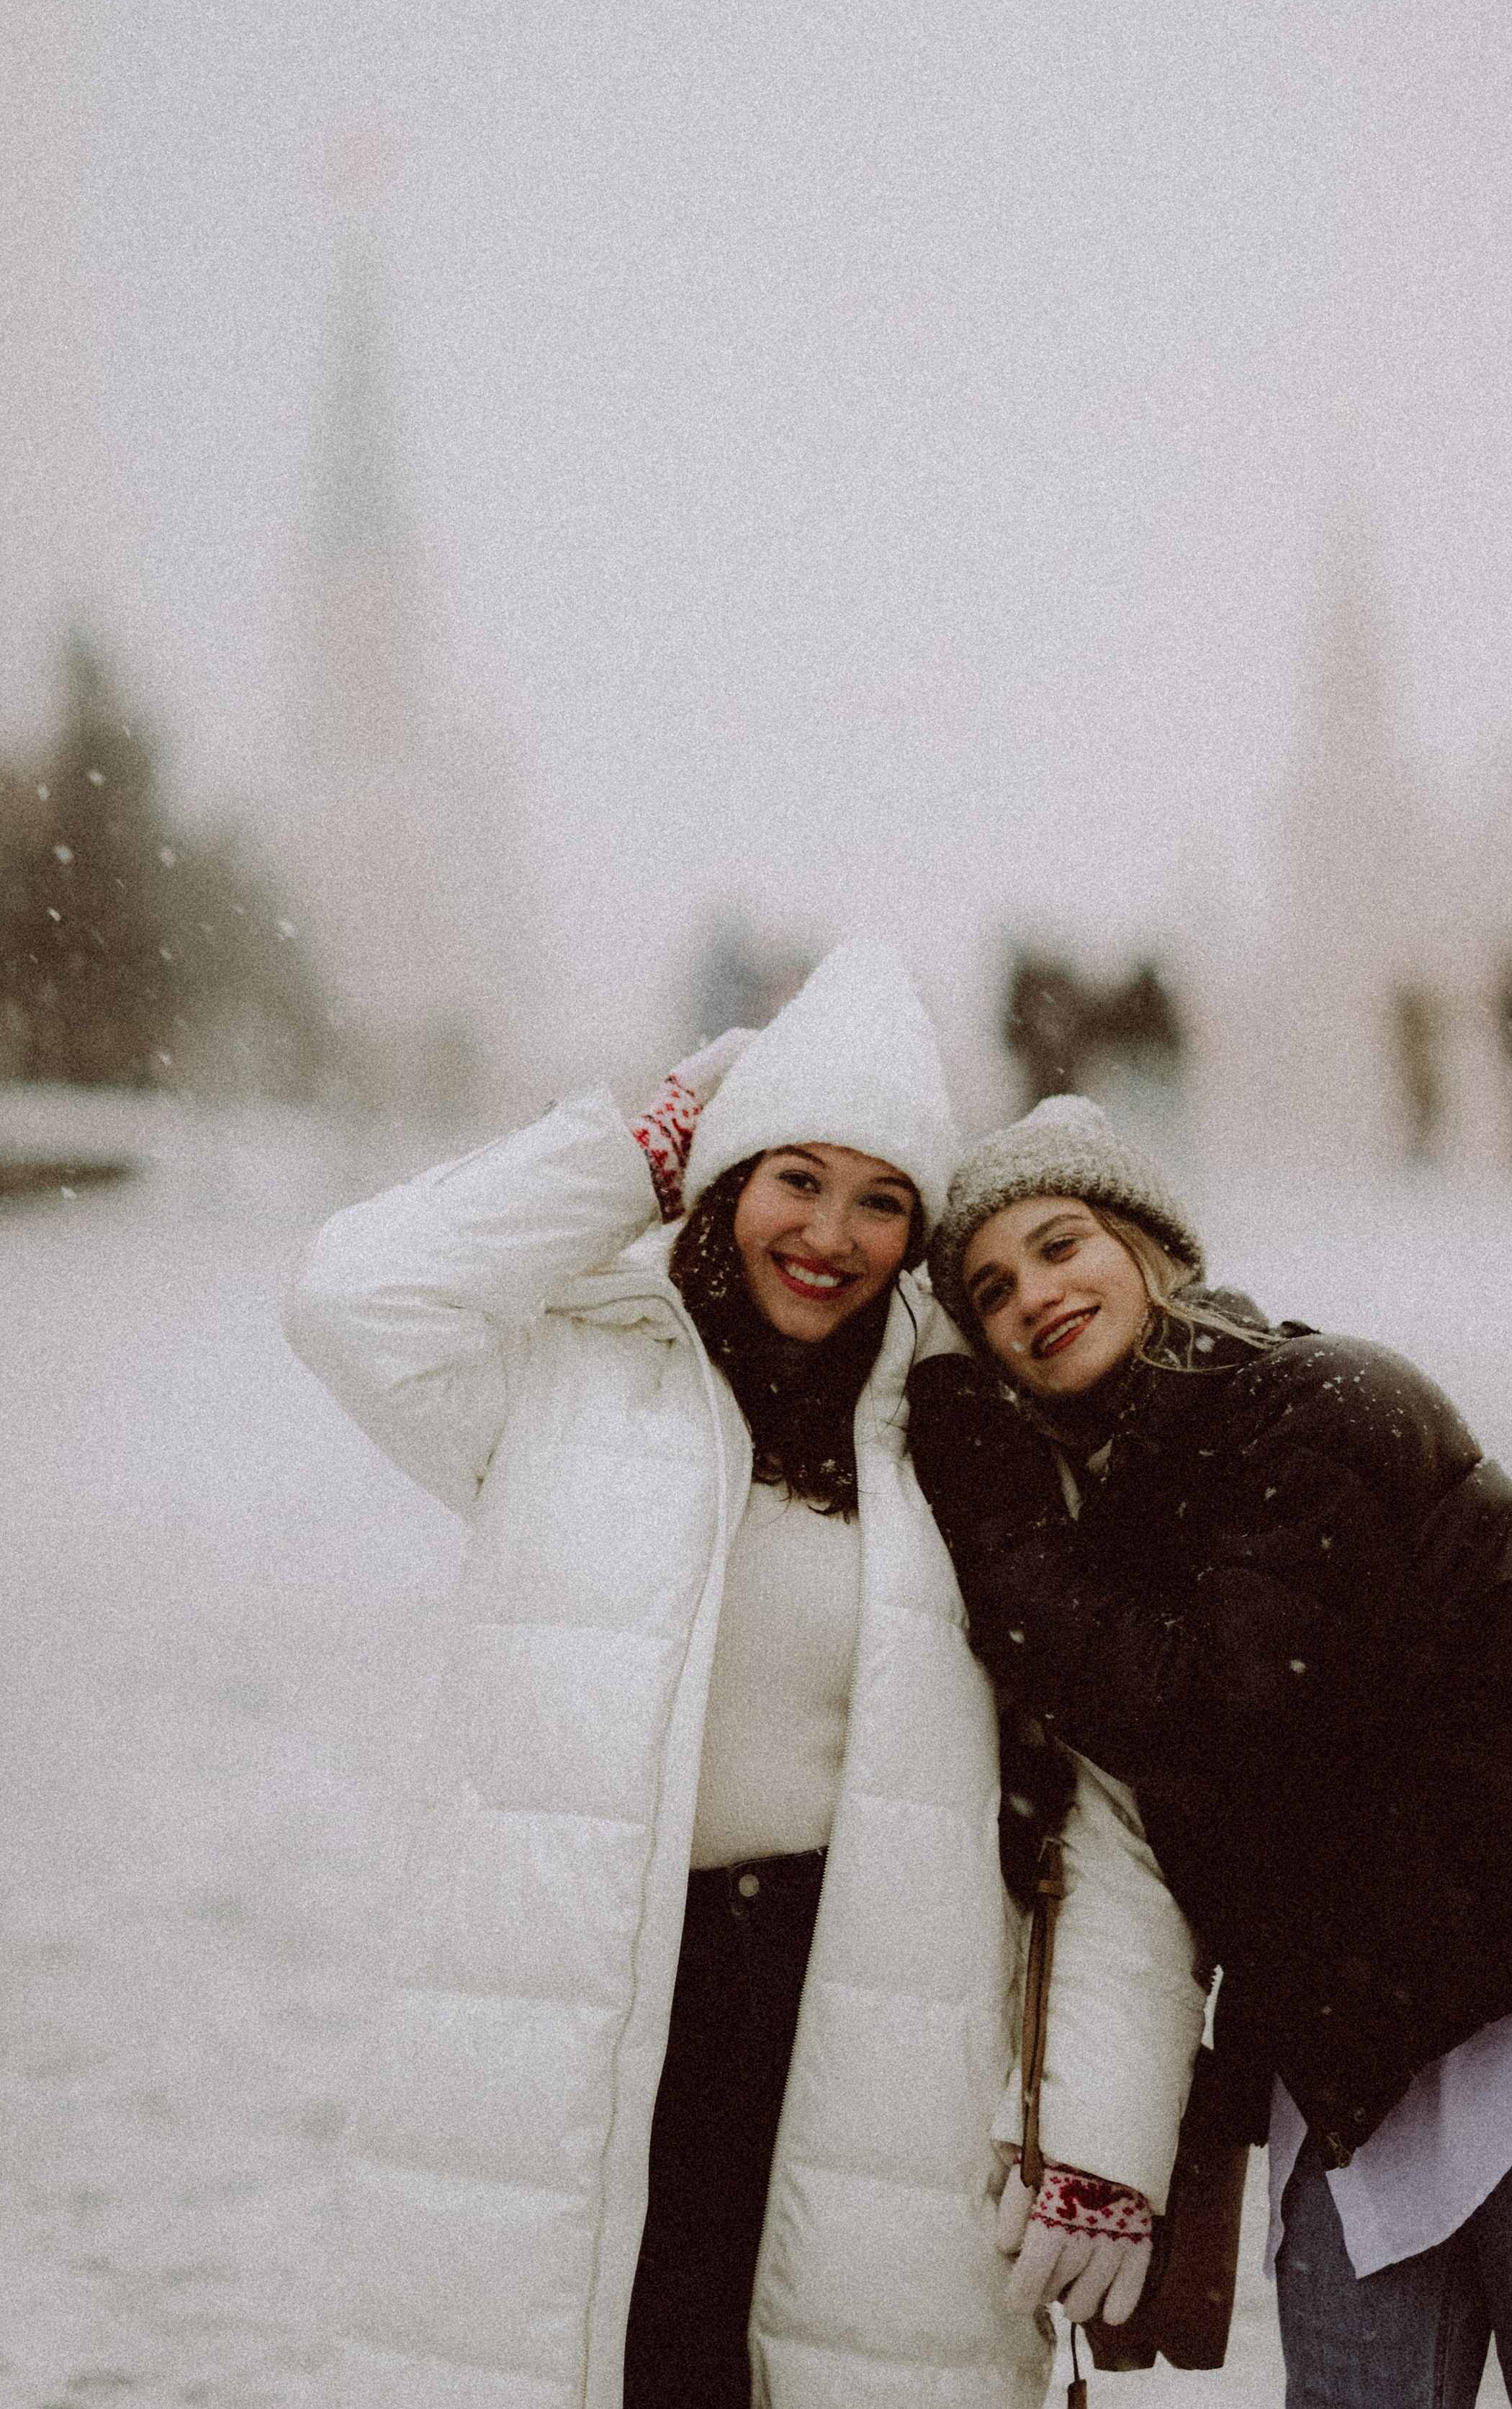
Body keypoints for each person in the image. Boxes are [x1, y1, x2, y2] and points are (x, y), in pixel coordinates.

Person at [284, 942, 1202, 2409]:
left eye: (881, 1197)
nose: (829, 1232)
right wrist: (623, 1157)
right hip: (587, 2005)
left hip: (862, 2032)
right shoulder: (575, 1375)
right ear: (721, 1177)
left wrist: (1104, 2122)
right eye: (794, 1176)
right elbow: (352, 1298)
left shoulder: (964, 1439)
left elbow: (1107, 1800)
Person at [908, 1093, 1512, 2409]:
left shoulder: (1321, 1405)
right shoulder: (1111, 1526)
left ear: (1149, 1249)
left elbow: (1216, 1712)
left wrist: (999, 1532)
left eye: (1063, 1243)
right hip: (1353, 2061)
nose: (1034, 1294)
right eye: (990, 1291)